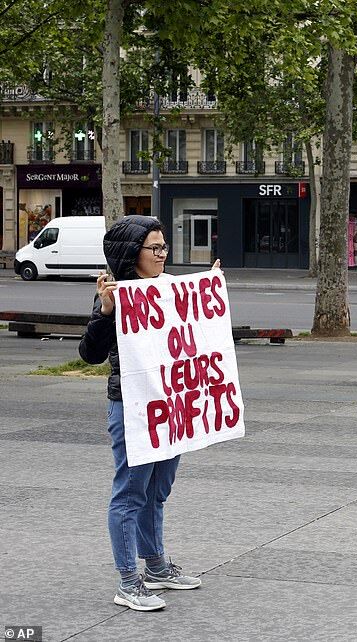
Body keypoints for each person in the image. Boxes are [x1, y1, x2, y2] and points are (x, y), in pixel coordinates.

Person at [79, 215, 208, 611]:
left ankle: (155, 567)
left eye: (164, 246)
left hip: (170, 405)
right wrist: (105, 312)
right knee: (131, 493)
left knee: (158, 490)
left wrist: (207, 290)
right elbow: (89, 354)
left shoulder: (169, 289)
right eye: (155, 247)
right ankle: (128, 582)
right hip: (133, 407)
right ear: (133, 253)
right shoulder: (118, 296)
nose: (163, 253)